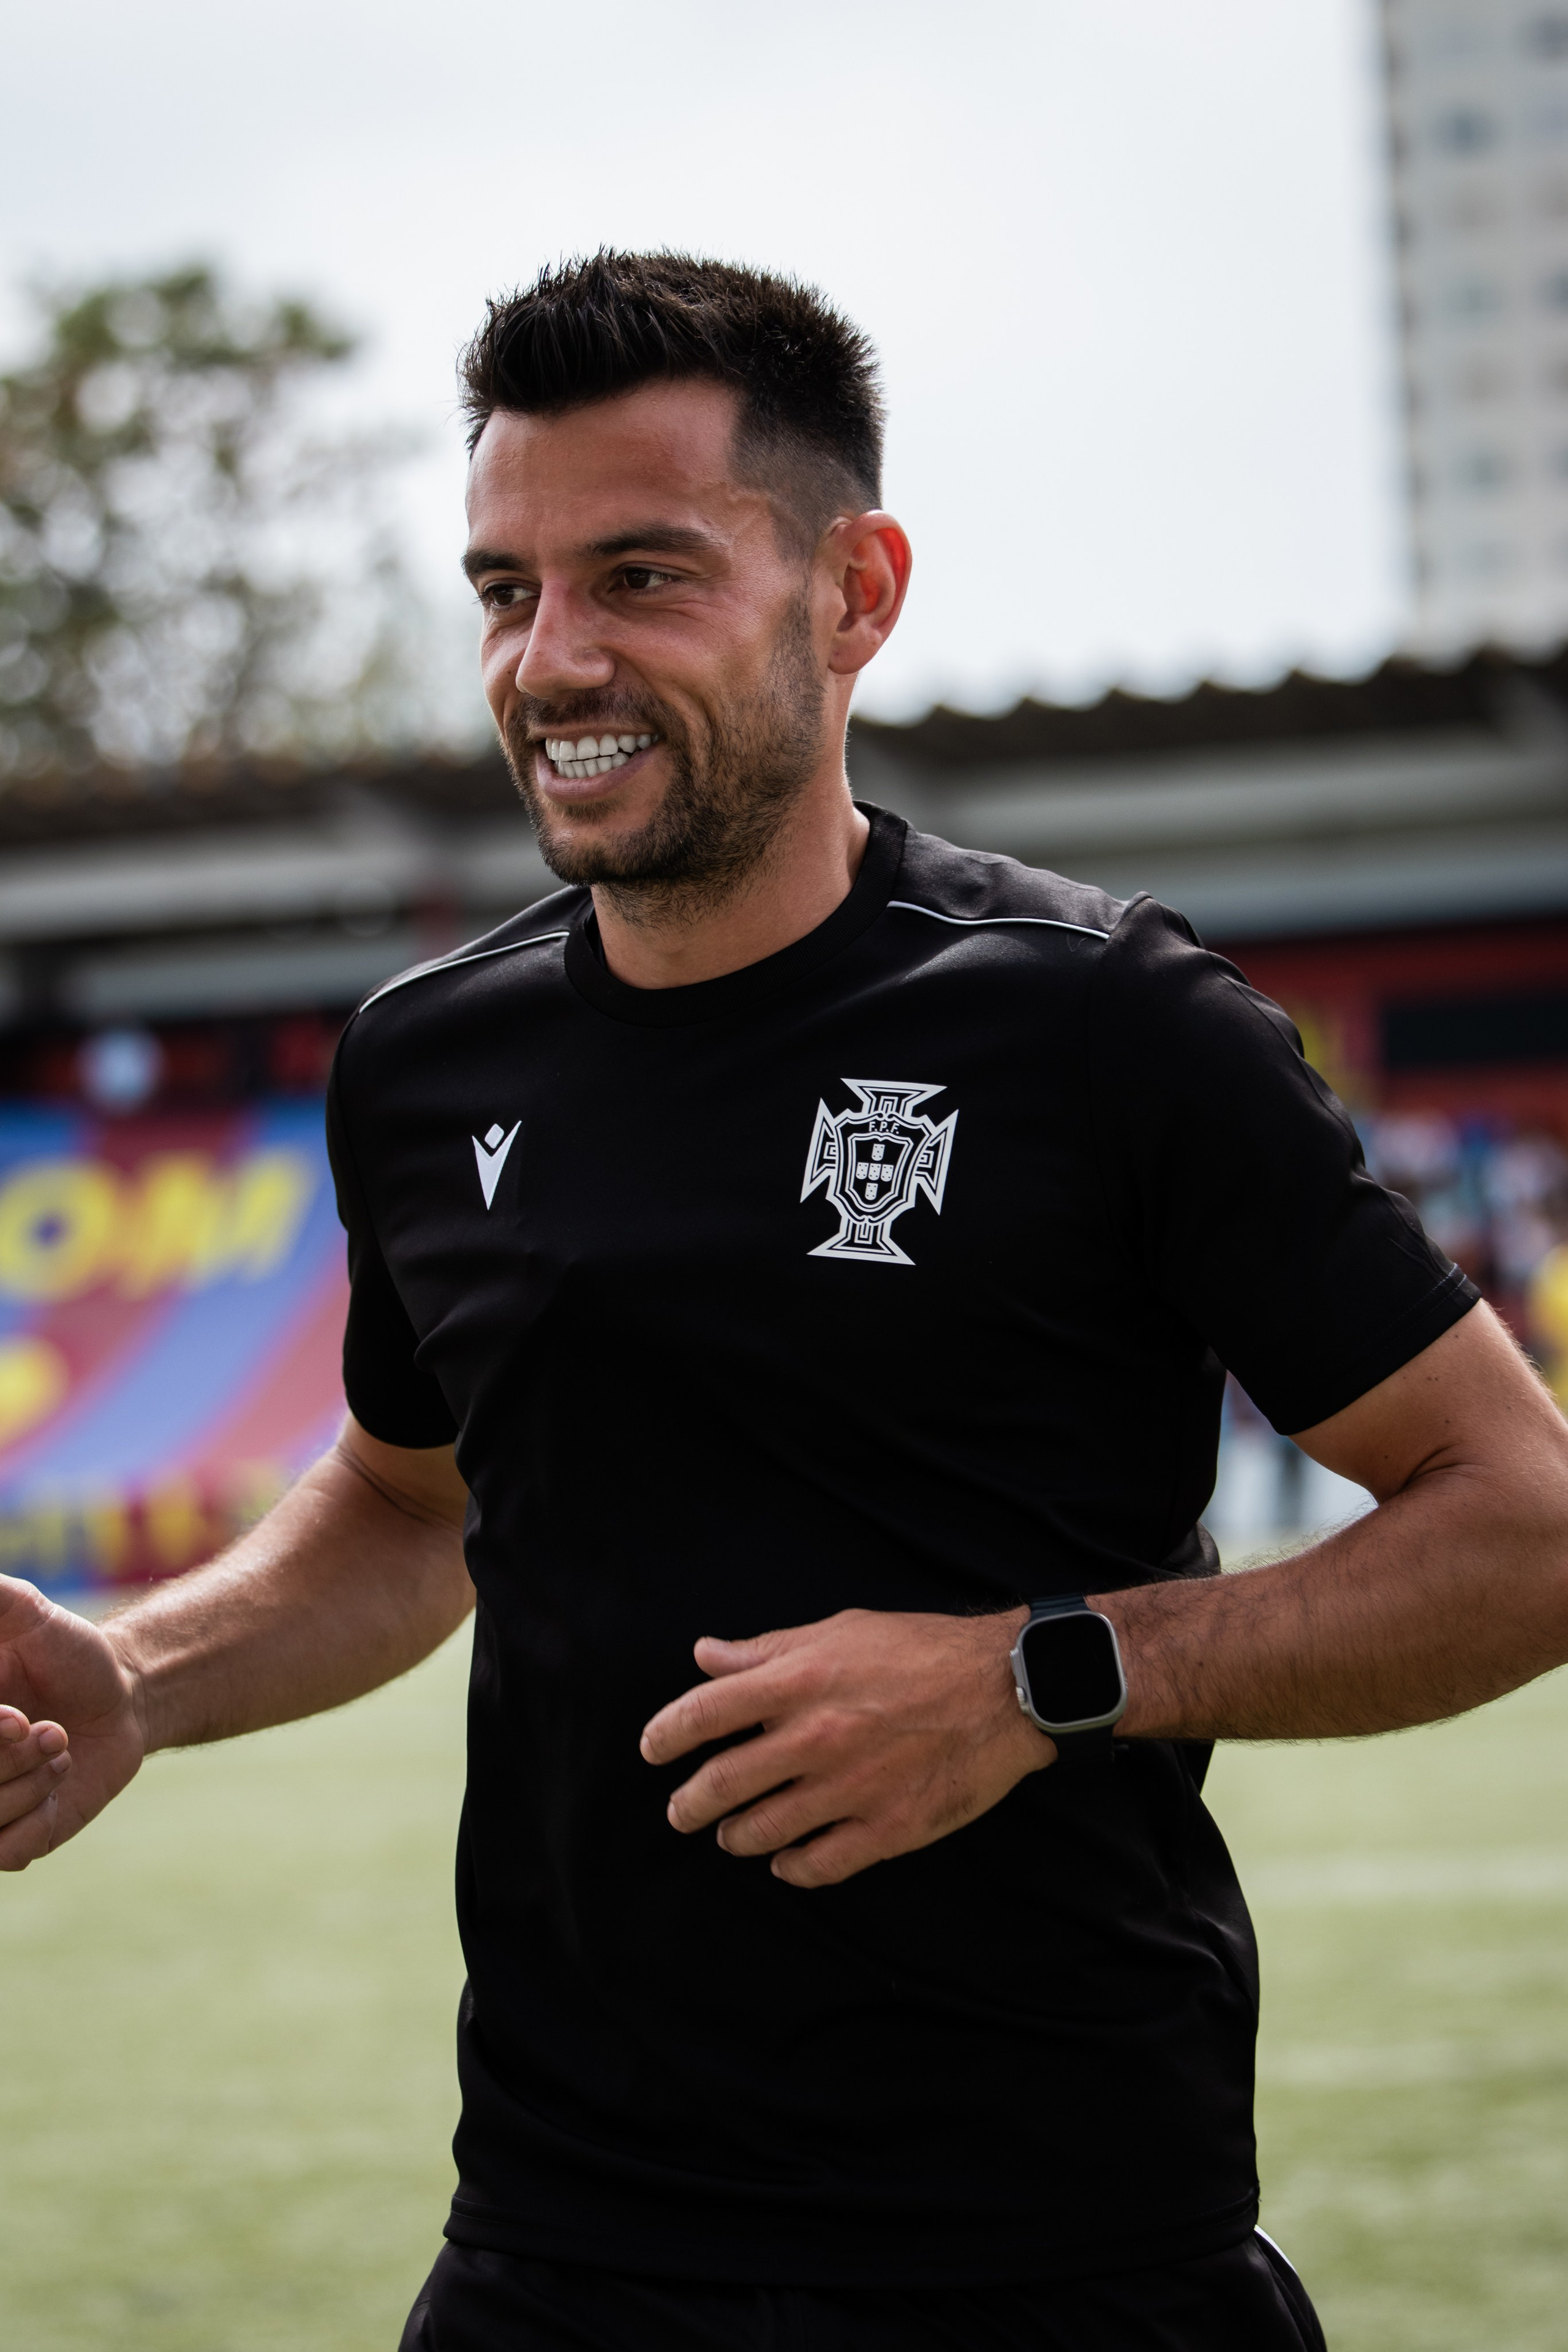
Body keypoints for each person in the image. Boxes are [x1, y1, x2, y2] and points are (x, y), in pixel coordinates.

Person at [3, 252, 1567, 2352]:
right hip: (553, 2257)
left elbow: (1521, 1523)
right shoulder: (420, 1062)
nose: (554, 660)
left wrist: (1041, 1677)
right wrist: (143, 1669)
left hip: (1058, 2258)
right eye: (503, 588)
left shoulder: (1109, 1029)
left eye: (642, 575)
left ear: (856, 593)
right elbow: (406, 1500)